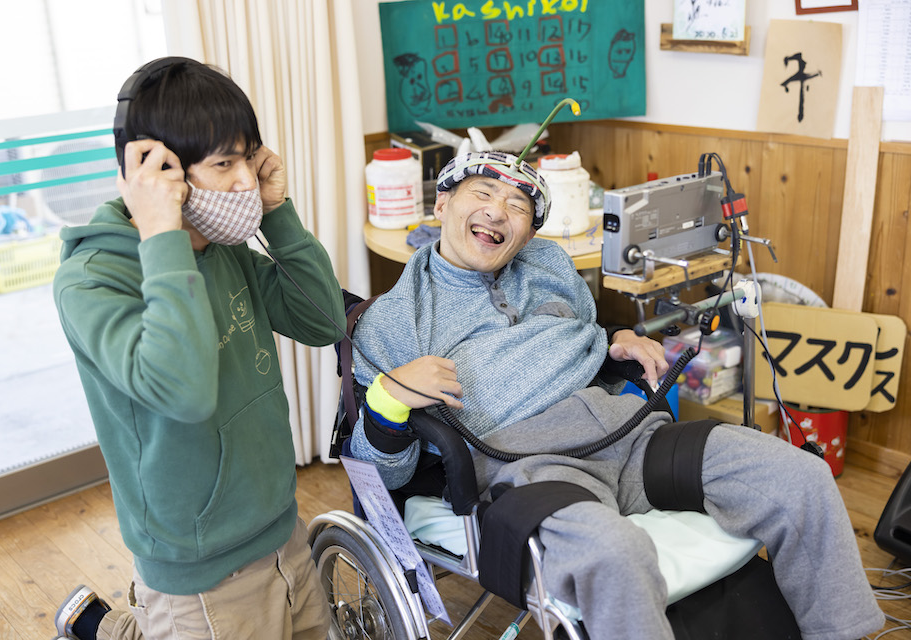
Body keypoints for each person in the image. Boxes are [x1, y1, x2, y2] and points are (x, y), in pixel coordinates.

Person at [348, 151, 884, 640]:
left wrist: (614, 343)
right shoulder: (395, 322)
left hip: (628, 432)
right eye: (482, 195)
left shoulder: (549, 267)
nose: (498, 212)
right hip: (534, 465)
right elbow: (383, 475)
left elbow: (581, 338)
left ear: (529, 234)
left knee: (799, 477)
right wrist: (390, 400)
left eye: (518, 206)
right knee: (616, 555)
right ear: (442, 202)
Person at [51, 57, 345, 640]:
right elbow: (181, 391)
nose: (244, 181)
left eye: (249, 157)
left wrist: (279, 213)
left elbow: (322, 319)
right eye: (225, 163)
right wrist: (161, 235)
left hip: (280, 528)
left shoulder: (223, 247)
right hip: (198, 570)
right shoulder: (92, 279)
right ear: (156, 168)